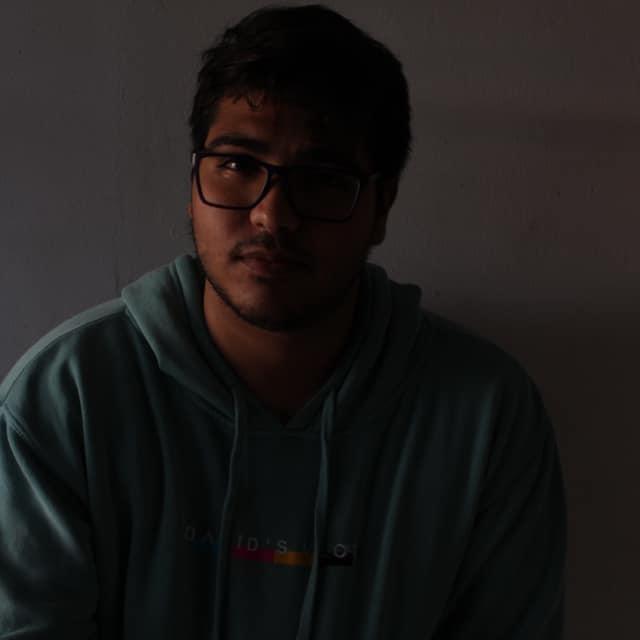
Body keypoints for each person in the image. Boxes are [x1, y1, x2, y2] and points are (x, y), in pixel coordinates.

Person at [0, 4, 566, 639]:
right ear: (192, 184)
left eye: (321, 179)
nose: (273, 215)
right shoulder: (66, 397)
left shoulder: (487, 416)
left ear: (381, 206)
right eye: (238, 165)